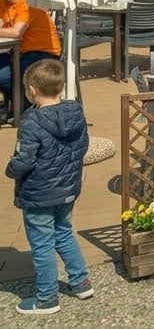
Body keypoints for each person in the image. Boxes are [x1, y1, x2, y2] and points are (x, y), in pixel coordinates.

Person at [5, 60, 93, 315]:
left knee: (42, 244)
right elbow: (83, 147)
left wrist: (11, 171)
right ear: (62, 88)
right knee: (64, 233)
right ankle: (81, 282)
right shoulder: (76, 112)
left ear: (31, 90)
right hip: (68, 186)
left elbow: (24, 160)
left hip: (39, 192)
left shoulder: (32, 122)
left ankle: (46, 298)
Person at [0, 0, 62, 124]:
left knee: (24, 73)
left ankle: (27, 113)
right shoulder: (4, 1)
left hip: (43, 51)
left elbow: (16, 32)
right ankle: (16, 107)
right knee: (3, 74)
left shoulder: (30, 1)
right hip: (16, 51)